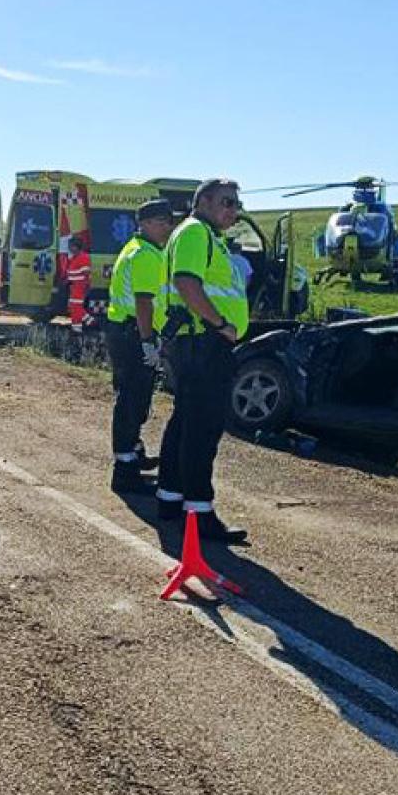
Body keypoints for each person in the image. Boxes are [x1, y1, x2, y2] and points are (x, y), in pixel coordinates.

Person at [155, 179, 250, 542]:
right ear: (204, 201)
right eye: (226, 202)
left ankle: (170, 499)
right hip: (203, 341)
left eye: (236, 203)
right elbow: (186, 283)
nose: (233, 209)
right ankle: (199, 511)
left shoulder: (203, 236)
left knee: (185, 421)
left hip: (195, 341)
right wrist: (222, 324)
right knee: (203, 428)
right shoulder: (196, 233)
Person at [105, 200, 175, 494]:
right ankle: (125, 469)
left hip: (125, 331)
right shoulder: (145, 255)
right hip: (134, 334)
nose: (167, 228)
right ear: (144, 223)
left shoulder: (138, 248)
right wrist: (148, 342)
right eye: (160, 222)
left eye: (169, 222)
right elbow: (143, 302)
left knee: (133, 397)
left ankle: (133, 453)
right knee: (133, 400)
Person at [64, 228, 92, 326]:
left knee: (76, 307)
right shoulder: (74, 258)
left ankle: (90, 322)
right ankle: (77, 327)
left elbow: (86, 273)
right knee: (74, 308)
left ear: (76, 247)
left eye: (71, 247)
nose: (69, 249)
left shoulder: (83, 257)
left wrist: (85, 287)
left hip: (79, 287)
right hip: (73, 287)